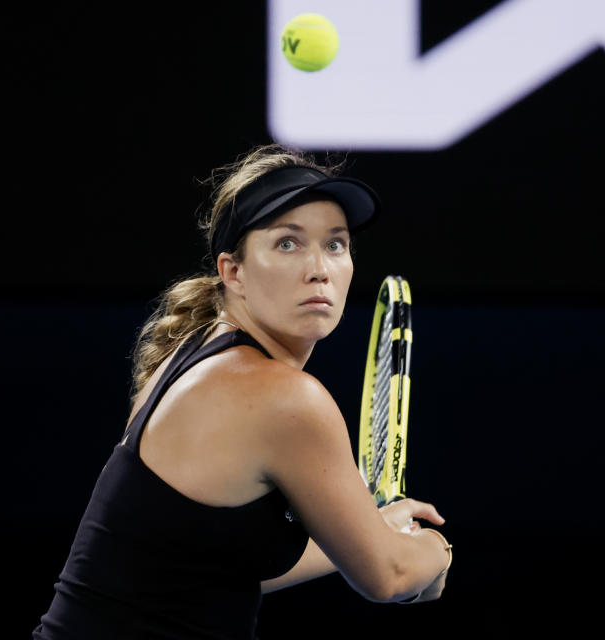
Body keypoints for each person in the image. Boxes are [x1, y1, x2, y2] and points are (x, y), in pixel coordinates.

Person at [33, 144, 452, 639]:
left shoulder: (196, 351)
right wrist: (430, 555)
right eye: (288, 244)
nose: (319, 268)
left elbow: (216, 569)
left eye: (335, 245)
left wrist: (373, 530)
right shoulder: (284, 398)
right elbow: (390, 578)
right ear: (233, 272)